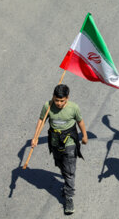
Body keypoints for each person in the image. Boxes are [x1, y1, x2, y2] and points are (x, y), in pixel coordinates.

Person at [31, 84, 88, 215]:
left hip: (70, 141)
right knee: (60, 164)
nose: (59, 103)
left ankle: (69, 197)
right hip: (55, 141)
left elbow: (80, 121)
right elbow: (41, 120)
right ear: (53, 97)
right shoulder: (48, 106)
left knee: (69, 170)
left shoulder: (74, 108)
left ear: (67, 98)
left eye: (62, 101)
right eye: (56, 100)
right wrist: (35, 137)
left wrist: (84, 135)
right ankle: (67, 179)